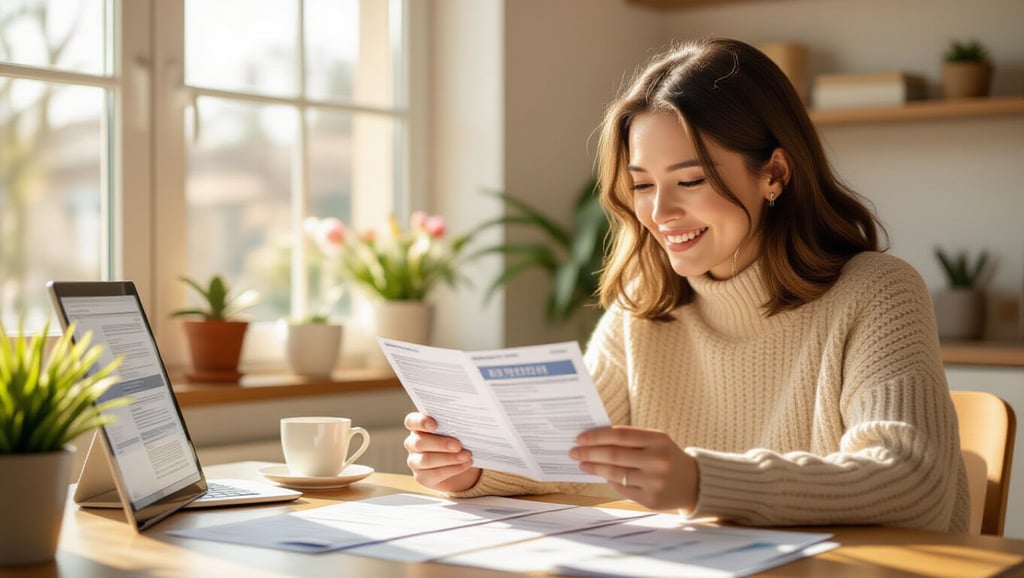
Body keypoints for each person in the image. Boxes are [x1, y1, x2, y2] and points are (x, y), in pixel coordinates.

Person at [403, 37, 969, 532]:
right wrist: (468, 466)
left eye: (690, 180)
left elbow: (914, 483)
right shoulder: (642, 309)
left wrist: (702, 481)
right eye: (642, 185)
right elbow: (573, 457)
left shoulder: (877, 293)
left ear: (774, 173)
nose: (659, 212)